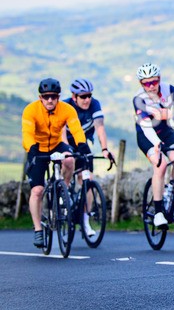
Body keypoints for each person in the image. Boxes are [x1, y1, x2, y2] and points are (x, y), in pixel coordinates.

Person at [22, 78, 87, 248]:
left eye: (53, 96)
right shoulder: (31, 110)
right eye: (46, 97)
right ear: (40, 97)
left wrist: (81, 144)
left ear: (58, 97)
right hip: (37, 147)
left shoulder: (67, 109)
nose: (50, 100)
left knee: (70, 159)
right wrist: (32, 149)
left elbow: (76, 129)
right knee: (37, 190)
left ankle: (62, 191)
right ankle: (38, 230)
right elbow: (27, 133)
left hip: (57, 144)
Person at [132, 63, 174, 230]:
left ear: (159, 79)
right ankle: (158, 213)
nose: (150, 86)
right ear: (141, 83)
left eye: (154, 82)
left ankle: (172, 194)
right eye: (146, 83)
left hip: (165, 131)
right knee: (161, 164)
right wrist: (156, 143)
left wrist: (168, 114)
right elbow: (146, 125)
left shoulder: (169, 89)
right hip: (146, 134)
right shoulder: (139, 98)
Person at [64, 79, 115, 238]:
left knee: (87, 179)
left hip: (83, 143)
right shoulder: (66, 106)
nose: (87, 99)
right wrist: (66, 151)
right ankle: (62, 197)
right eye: (83, 96)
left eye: (89, 96)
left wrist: (105, 149)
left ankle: (85, 222)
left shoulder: (94, 104)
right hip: (65, 142)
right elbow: (62, 133)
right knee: (68, 164)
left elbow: (100, 127)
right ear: (74, 96)